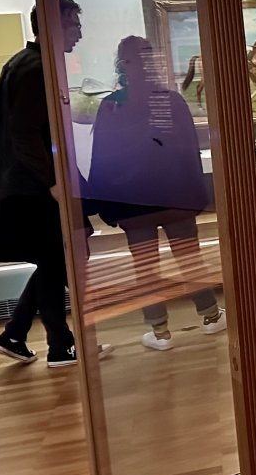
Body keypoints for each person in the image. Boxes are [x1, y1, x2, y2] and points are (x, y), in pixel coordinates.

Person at [88, 36, 225, 351]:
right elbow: (188, 151)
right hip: (172, 195)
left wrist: (106, 204)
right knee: (189, 257)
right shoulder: (169, 100)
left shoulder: (112, 104)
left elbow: (103, 157)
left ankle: (160, 331)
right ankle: (209, 315)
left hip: (134, 199)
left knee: (145, 267)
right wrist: (196, 195)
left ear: (122, 64)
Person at [0, 0, 98, 367]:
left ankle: (16, 333)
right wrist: (52, 182)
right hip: (36, 186)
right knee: (59, 259)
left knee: (57, 258)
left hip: (30, 182)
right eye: (73, 26)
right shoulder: (35, 69)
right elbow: (23, 134)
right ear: (53, 27)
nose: (79, 33)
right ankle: (60, 347)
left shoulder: (25, 63)